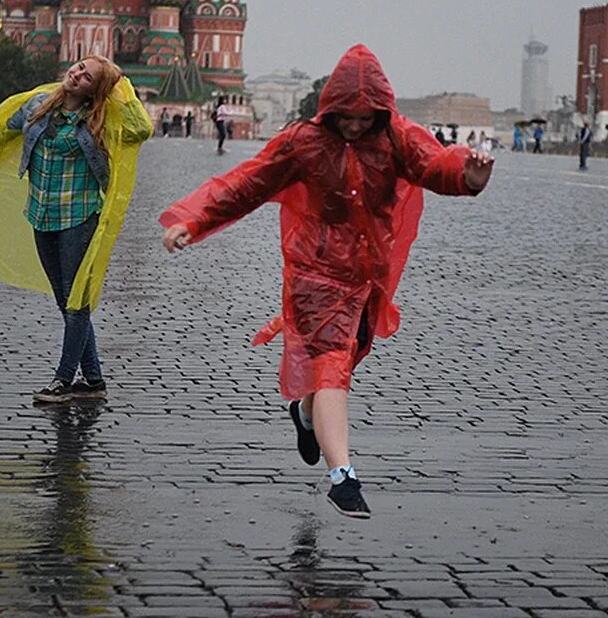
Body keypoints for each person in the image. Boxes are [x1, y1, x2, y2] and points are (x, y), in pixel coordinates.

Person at [159, 45, 494, 519]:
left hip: (365, 274)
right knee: (333, 363)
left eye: (364, 118)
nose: (355, 127)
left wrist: (469, 175)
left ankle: (304, 414)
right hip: (314, 272)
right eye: (346, 117)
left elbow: (433, 165)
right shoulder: (304, 142)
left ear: (380, 112)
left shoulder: (396, 137)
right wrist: (193, 221)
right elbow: (247, 183)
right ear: (329, 109)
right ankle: (343, 476)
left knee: (340, 362)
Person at [0, 56, 153, 403]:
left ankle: (63, 380)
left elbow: (141, 128)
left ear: (97, 89)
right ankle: (93, 380)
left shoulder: (100, 119)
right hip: (42, 214)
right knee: (66, 301)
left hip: (79, 216)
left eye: (87, 76)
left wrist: (121, 85)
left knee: (76, 304)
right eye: (77, 68)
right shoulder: (38, 106)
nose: (75, 76)